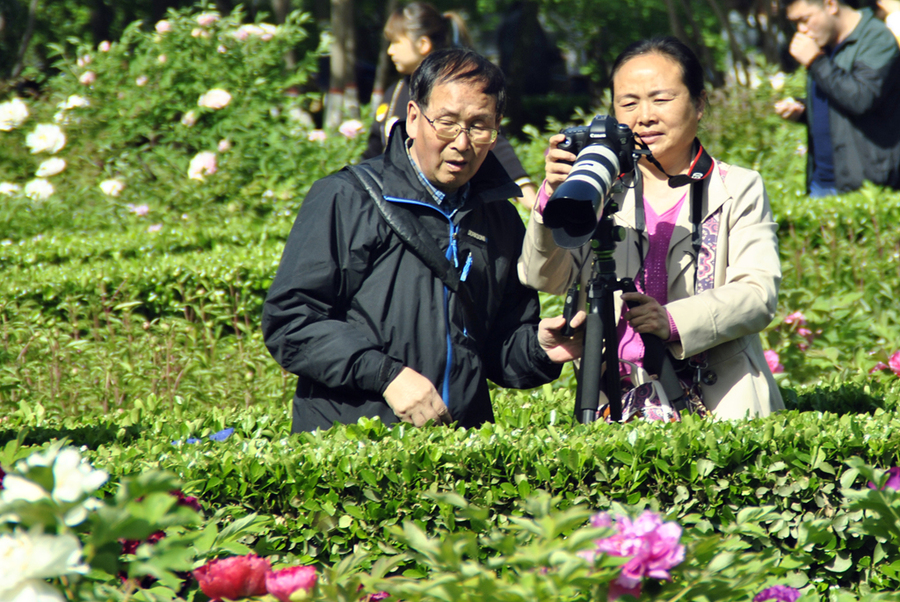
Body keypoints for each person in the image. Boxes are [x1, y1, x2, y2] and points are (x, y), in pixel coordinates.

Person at [263, 47, 585, 433]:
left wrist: (540, 349)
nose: (462, 143)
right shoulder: (347, 197)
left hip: (455, 458)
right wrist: (387, 376)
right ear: (413, 118)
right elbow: (291, 322)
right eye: (447, 122)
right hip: (351, 450)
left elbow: (498, 348)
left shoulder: (497, 215)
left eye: (479, 126)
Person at [518, 36, 784, 420]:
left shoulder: (737, 186)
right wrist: (554, 200)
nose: (644, 116)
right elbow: (543, 277)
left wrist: (673, 320)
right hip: (616, 399)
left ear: (699, 104)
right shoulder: (596, 186)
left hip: (723, 399)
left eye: (661, 99)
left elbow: (758, 295)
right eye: (628, 103)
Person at [362, 1, 538, 210]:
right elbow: (373, 154)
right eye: (447, 122)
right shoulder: (394, 94)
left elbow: (496, 145)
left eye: (396, 42)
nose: (390, 51)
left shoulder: (465, 92)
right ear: (413, 115)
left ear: (422, 44)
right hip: (396, 206)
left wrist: (533, 201)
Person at [774, 0, 900, 196]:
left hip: (866, 187)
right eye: (795, 23)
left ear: (831, 5)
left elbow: (861, 99)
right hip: (821, 182)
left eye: (805, 19)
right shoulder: (825, 44)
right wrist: (804, 111)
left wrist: (815, 61)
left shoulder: (876, 39)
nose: (802, 30)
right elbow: (838, 101)